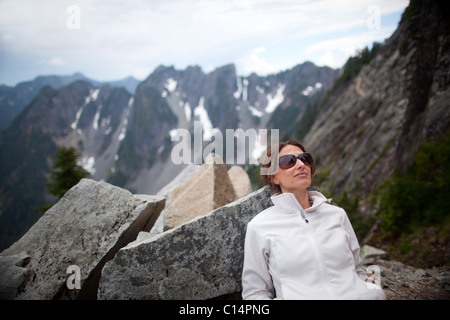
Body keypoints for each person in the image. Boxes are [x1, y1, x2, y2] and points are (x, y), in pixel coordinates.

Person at [241, 140, 385, 300]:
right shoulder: (260, 226)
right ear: (274, 177)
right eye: (288, 161)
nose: (301, 164)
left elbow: (356, 269)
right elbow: (255, 293)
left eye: (305, 158)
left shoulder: (337, 214)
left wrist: (371, 291)